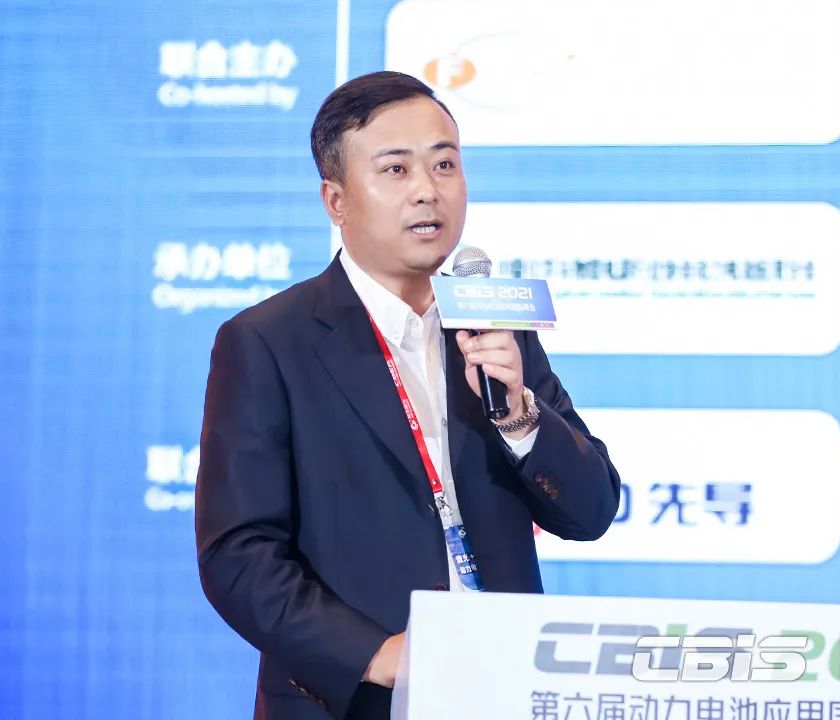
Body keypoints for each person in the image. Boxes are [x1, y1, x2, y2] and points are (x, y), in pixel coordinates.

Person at [194, 71, 621, 720]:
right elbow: (237, 554)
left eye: (444, 164)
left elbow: (590, 512)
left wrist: (520, 418)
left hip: (501, 691)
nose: (428, 189)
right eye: (396, 169)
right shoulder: (269, 341)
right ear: (336, 200)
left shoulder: (494, 328)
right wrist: (375, 654)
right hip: (355, 701)